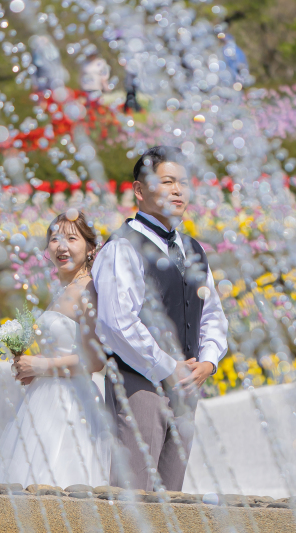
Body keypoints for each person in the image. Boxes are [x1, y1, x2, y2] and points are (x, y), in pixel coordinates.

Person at [92, 145, 228, 492]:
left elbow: (211, 312)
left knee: (172, 501)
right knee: (134, 495)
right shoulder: (123, 246)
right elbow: (117, 322)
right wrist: (169, 366)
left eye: (183, 182)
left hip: (185, 389)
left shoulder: (193, 249)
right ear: (139, 190)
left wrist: (209, 362)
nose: (177, 190)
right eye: (167, 181)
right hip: (139, 386)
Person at [0, 212, 111, 488]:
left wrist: (39, 366)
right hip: (44, 398)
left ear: (91, 248)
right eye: (54, 239)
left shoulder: (88, 290)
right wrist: (32, 365)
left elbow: (94, 359)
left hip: (72, 404)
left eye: (71, 238)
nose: (61, 246)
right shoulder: (65, 288)